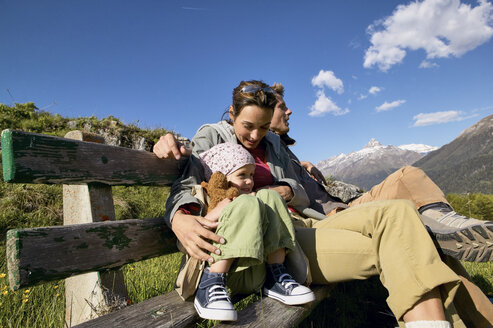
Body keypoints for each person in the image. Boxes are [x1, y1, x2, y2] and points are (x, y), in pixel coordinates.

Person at [160, 80, 470, 327]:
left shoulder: (274, 144)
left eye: (264, 127)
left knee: (402, 213)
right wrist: (179, 218)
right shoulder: (213, 135)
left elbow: (297, 184)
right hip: (275, 237)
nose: (256, 135)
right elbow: (190, 178)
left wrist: (290, 189)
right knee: (409, 247)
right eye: (248, 126)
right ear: (232, 114)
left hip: (308, 220)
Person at [268, 82, 493, 264]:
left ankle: (449, 224)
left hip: (348, 206)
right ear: (265, 112)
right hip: (334, 217)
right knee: (423, 233)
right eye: (282, 107)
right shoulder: (265, 152)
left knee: (409, 175)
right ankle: (446, 230)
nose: (290, 111)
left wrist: (305, 164)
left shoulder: (284, 150)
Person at [190, 142, 315, 321]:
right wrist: (212, 216)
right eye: (242, 175)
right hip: (227, 275)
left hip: (258, 270)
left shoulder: (255, 198)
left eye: (251, 175)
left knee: (270, 195)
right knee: (246, 203)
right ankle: (211, 282)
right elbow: (188, 234)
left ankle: (277, 276)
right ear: (221, 178)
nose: (250, 181)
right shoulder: (206, 197)